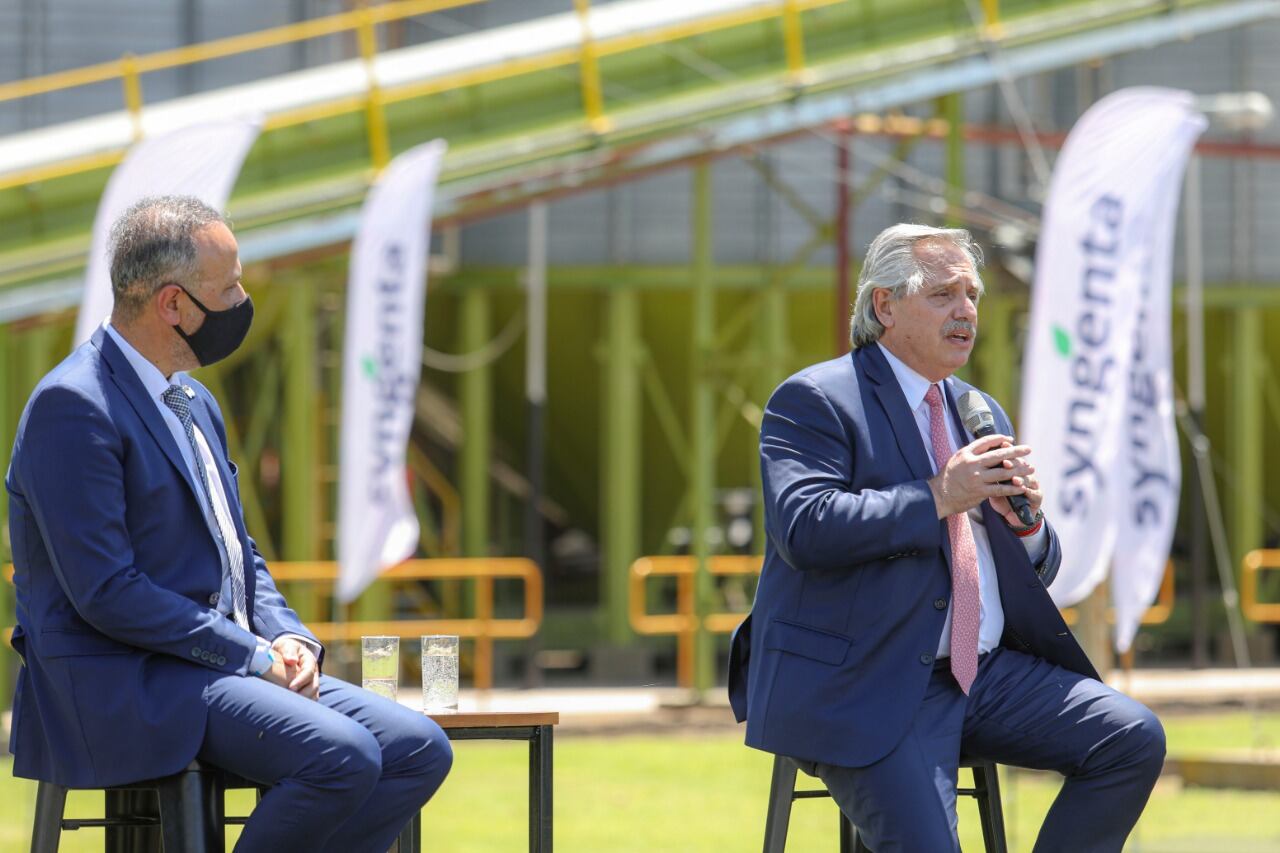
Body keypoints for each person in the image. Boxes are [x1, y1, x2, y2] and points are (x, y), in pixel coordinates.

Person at [7, 195, 452, 852]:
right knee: (342, 755)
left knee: (419, 747)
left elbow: (236, 552)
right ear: (173, 304)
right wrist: (251, 653)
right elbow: (106, 592)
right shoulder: (73, 406)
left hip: (214, 666)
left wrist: (287, 635)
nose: (243, 299)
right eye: (230, 286)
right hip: (124, 680)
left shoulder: (193, 400)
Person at [728, 224, 1165, 852]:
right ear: (884, 305)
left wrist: (1029, 529)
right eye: (943, 295)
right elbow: (806, 527)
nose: (965, 311)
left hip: (983, 676)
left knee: (1131, 738)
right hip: (866, 679)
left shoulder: (977, 410)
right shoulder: (815, 399)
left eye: (973, 296)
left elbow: (1011, 565)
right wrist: (940, 494)